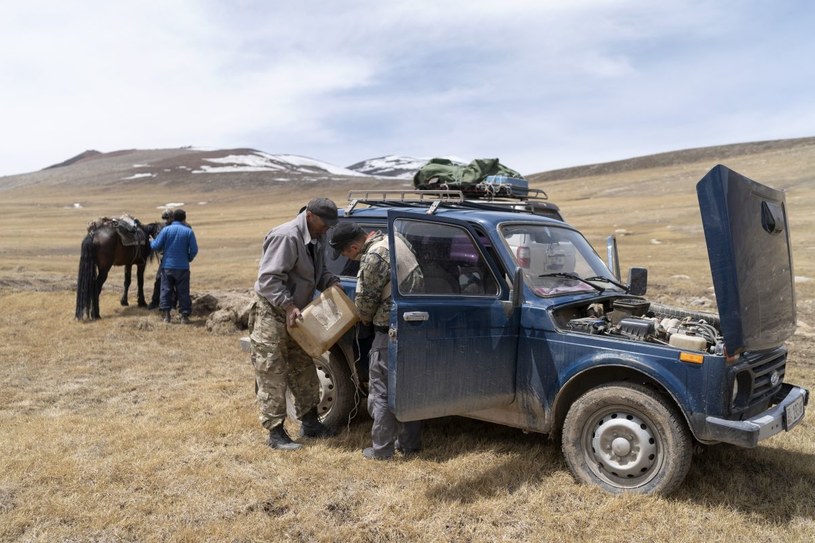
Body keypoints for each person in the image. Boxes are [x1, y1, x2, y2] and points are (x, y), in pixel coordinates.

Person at [249, 197, 340, 451]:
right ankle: (276, 432)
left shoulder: (317, 237)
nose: (328, 229)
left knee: (303, 366)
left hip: (297, 314)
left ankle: (310, 423)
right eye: (325, 222)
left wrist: (331, 281)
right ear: (310, 215)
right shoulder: (287, 236)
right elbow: (268, 280)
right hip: (273, 312)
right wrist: (288, 305)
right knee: (272, 371)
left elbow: (316, 273)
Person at [329, 222, 424, 460]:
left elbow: (365, 305)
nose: (346, 258)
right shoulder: (397, 239)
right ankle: (410, 443)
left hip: (388, 331)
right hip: (414, 326)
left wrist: (359, 317)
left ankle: (381, 449)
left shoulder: (373, 257)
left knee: (381, 391)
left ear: (353, 246)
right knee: (408, 388)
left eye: (344, 253)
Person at [149, 208, 198, 324]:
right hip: (183, 267)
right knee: (183, 291)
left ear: (173, 218)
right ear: (184, 219)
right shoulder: (188, 231)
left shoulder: (166, 230)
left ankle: (167, 316)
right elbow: (194, 249)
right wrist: (188, 258)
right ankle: (184, 316)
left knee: (166, 290)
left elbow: (156, 246)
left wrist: (151, 241)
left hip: (167, 267)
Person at [147, 209, 175, 310]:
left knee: (161, 280)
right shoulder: (183, 227)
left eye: (167, 218)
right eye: (165, 218)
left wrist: (152, 242)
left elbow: (157, 245)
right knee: (161, 280)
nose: (166, 220)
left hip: (167, 260)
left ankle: (159, 303)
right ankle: (157, 302)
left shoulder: (164, 229)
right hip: (174, 260)